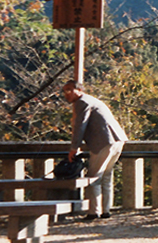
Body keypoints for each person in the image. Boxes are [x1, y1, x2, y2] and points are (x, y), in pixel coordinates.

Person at [62, 80, 129, 220]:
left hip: (104, 142)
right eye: (64, 91)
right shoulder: (92, 100)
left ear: (79, 90)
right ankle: (106, 210)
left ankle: (93, 212)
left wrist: (74, 148)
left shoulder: (82, 102)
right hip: (117, 140)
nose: (66, 94)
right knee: (106, 177)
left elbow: (80, 126)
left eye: (69, 89)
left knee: (94, 177)